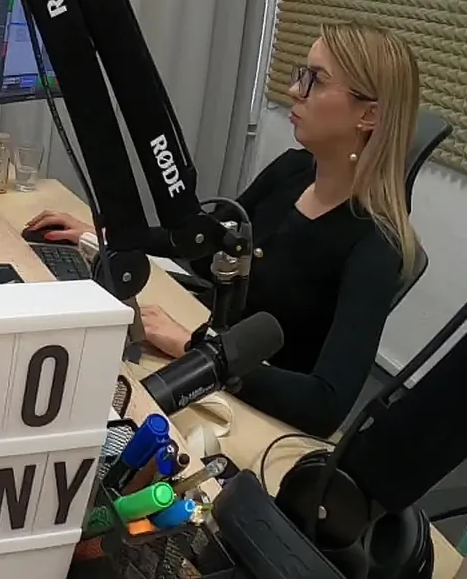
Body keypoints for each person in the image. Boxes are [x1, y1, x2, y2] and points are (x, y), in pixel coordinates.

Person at [27, 22, 420, 437]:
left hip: (257, 418)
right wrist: (107, 235)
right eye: (301, 75)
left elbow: (324, 405)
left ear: (369, 115)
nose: (294, 91)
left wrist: (193, 347)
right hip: (213, 360)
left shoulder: (377, 244)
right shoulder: (292, 171)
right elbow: (205, 243)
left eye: (316, 80)